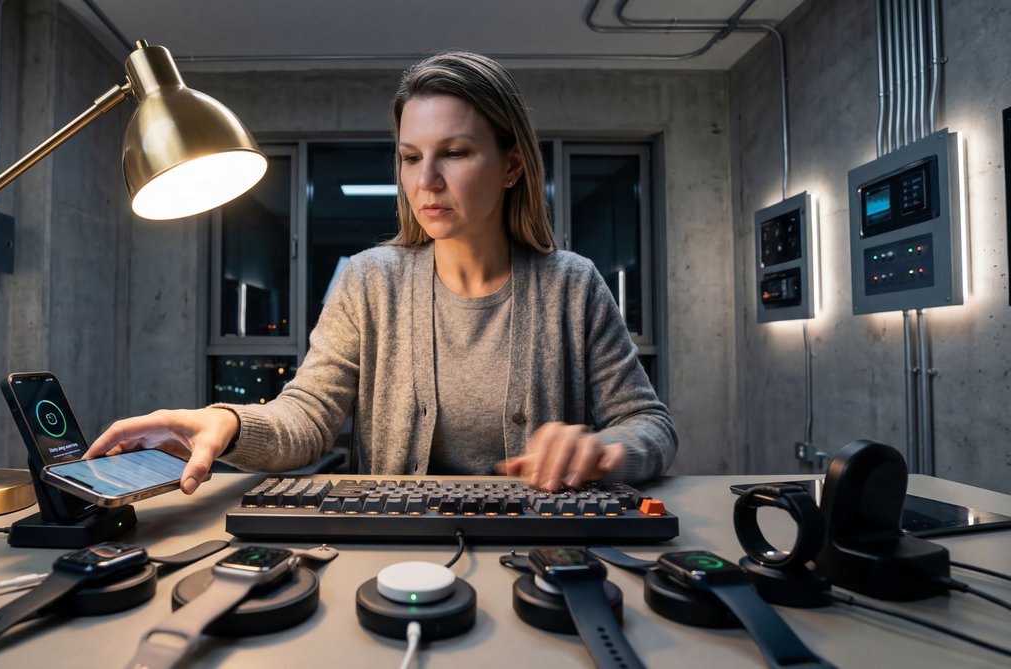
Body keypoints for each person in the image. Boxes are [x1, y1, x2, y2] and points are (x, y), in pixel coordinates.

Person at [86, 51, 677, 494]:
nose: (427, 182)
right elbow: (309, 416)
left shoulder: (572, 286)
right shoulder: (370, 282)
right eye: (410, 157)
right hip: (394, 549)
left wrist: (604, 449)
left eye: (456, 152)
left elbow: (649, 424)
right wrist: (224, 422)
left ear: (512, 166)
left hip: (538, 549)